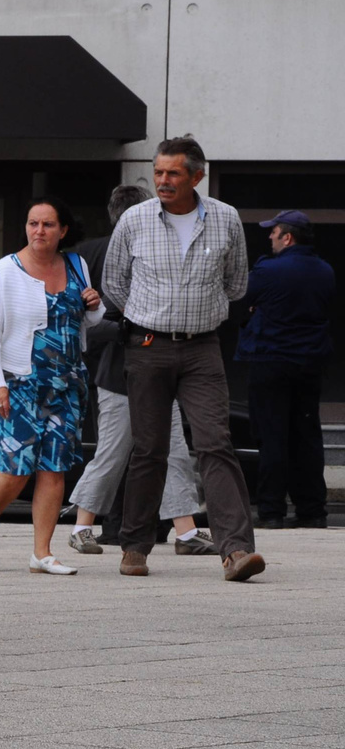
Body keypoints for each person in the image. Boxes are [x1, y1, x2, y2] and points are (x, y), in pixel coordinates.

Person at [104, 136, 265, 581]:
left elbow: (236, 285)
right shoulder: (135, 221)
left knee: (216, 443)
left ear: (197, 176)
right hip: (147, 347)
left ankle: (236, 551)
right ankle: (134, 547)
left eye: (173, 173)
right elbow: (114, 284)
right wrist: (149, 317)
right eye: (158, 172)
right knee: (150, 449)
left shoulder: (226, 219)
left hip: (202, 348)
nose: (163, 180)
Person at [66, 184, 217, 557]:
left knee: (168, 451)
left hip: (134, 368)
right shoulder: (112, 255)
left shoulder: (90, 254)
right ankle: (83, 525)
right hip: (126, 369)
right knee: (121, 452)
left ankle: (184, 530)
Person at [0, 197, 103, 574]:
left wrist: (94, 305)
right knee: (17, 466)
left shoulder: (77, 266)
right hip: (18, 381)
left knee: (54, 467)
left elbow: (85, 322)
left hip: (67, 382)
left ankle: (42, 552)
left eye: (47, 225)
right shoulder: (4, 271)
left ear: (63, 231)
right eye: (32, 223)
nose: (38, 231)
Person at [235, 210, 334, 529]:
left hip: (271, 361)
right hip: (310, 363)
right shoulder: (325, 271)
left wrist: (256, 307)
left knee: (272, 435)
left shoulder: (269, 270)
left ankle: (272, 511)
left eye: (273, 232)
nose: (269, 237)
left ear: (287, 237)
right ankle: (312, 510)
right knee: (307, 436)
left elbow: (239, 299)